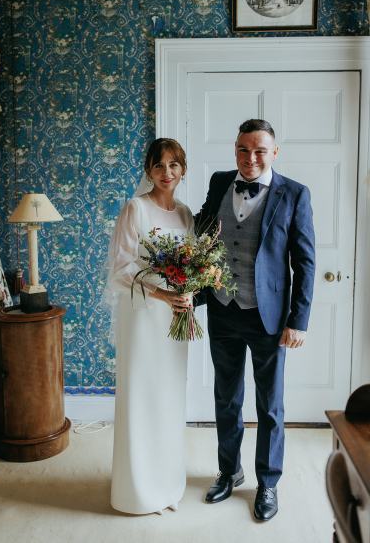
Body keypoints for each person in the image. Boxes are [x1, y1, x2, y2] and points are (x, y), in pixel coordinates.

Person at [195, 118, 315, 521]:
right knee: (226, 398)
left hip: (269, 316)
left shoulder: (295, 194)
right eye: (244, 150)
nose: (251, 158)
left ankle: (268, 483)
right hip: (223, 309)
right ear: (235, 149)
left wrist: (298, 320)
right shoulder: (218, 182)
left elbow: (305, 262)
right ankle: (229, 471)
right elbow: (201, 232)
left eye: (260, 150)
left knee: (270, 405)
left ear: (274, 153)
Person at [108, 138, 194, 515]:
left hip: (176, 316)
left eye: (173, 165)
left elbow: (192, 264)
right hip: (144, 315)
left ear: (183, 170)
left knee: (169, 396)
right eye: (159, 166)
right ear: (148, 170)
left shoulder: (186, 213)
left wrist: (188, 294)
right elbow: (122, 268)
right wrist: (161, 296)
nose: (166, 173)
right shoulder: (135, 209)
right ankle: (139, 491)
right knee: (143, 396)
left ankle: (167, 485)